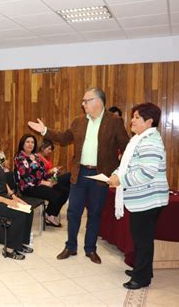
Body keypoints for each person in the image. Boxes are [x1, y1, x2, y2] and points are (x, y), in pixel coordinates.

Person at [28, 87, 130, 264]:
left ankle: (90, 249)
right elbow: (64, 137)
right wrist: (45, 131)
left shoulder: (114, 121)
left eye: (86, 101)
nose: (83, 104)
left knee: (95, 213)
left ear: (98, 101)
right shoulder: (78, 121)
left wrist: (117, 171)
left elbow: (126, 147)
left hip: (101, 175)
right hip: (80, 172)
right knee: (73, 211)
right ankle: (71, 247)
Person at [107, 103, 168, 290]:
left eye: (136, 117)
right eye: (132, 116)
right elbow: (128, 165)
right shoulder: (139, 140)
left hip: (149, 199)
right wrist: (115, 174)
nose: (131, 120)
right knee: (141, 238)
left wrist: (120, 180)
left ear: (149, 122)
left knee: (143, 240)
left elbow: (145, 173)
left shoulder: (150, 142)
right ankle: (142, 271)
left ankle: (141, 278)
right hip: (143, 199)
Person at [14, 134, 69, 227]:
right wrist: (45, 183)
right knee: (56, 195)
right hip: (28, 187)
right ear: (22, 144)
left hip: (41, 182)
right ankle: (49, 215)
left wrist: (51, 178)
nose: (30, 144)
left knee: (64, 191)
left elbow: (42, 172)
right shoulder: (20, 157)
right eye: (27, 142)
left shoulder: (35, 156)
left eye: (32, 142)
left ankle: (51, 214)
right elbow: (27, 177)